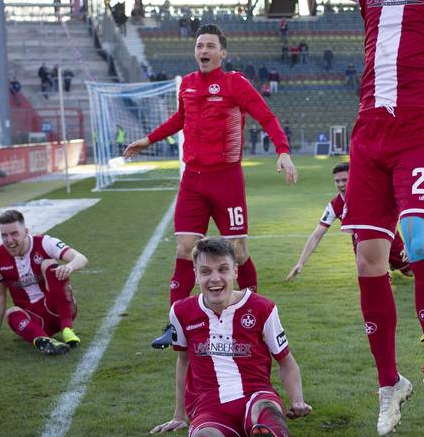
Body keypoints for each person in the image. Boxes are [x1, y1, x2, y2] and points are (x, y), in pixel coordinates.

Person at [195, 0, 424, 433]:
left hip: (421, 129)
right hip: (370, 135)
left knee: (421, 241)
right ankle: (388, 383)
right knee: (368, 263)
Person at [123, 24, 298, 350]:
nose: (203, 50)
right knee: (185, 248)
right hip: (193, 179)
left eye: (209, 46)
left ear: (222, 53)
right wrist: (148, 140)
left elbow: (267, 118)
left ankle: (254, 318)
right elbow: (179, 120)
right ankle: (175, 326)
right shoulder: (187, 85)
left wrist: (283, 152)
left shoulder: (235, 84)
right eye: (199, 45)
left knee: (240, 252)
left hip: (227, 179)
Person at [151, 237, 311, 437]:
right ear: (195, 275)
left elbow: (286, 360)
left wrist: (297, 400)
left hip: (255, 394)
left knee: (266, 411)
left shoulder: (262, 307)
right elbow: (183, 361)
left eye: (223, 270)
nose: (215, 279)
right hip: (209, 404)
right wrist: (179, 415)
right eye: (206, 272)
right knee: (205, 436)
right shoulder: (181, 311)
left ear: (235, 271)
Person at [0, 209, 87, 355]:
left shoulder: (45, 242)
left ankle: (67, 329)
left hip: (58, 309)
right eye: (4, 235)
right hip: (34, 321)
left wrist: (68, 267)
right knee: (12, 313)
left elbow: (81, 258)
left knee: (49, 264)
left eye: (14, 233)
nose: (9, 240)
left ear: (26, 231)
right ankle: (45, 341)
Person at [286, 162, 412, 283]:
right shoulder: (334, 206)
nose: (340, 184)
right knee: (375, 279)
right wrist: (300, 263)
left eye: (344, 180)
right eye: (337, 181)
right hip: (362, 242)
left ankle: (392, 262)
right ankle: (384, 265)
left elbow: (396, 211)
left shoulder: (371, 194)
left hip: (388, 236)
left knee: (409, 272)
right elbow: (316, 235)